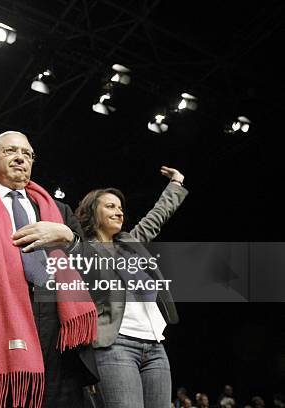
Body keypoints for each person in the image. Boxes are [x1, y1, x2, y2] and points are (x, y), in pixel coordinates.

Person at [0, 131, 99, 407]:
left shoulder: (59, 212)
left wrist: (70, 240)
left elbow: (92, 271)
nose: (20, 158)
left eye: (27, 154)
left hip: (57, 335)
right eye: (11, 151)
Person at [74, 166, 188, 408]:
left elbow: (156, 217)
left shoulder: (129, 243)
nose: (119, 212)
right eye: (110, 206)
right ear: (93, 213)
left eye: (120, 207)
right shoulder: (82, 251)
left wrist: (176, 184)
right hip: (115, 346)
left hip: (155, 346)